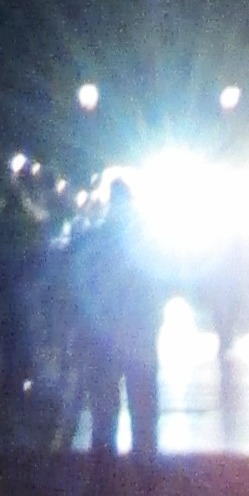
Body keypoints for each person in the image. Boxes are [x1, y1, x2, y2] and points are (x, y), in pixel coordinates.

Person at [78, 178, 163, 467]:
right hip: (137, 330)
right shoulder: (145, 242)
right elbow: (158, 284)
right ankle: (145, 465)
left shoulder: (94, 240)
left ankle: (104, 468)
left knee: (104, 407)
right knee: (143, 405)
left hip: (105, 331)